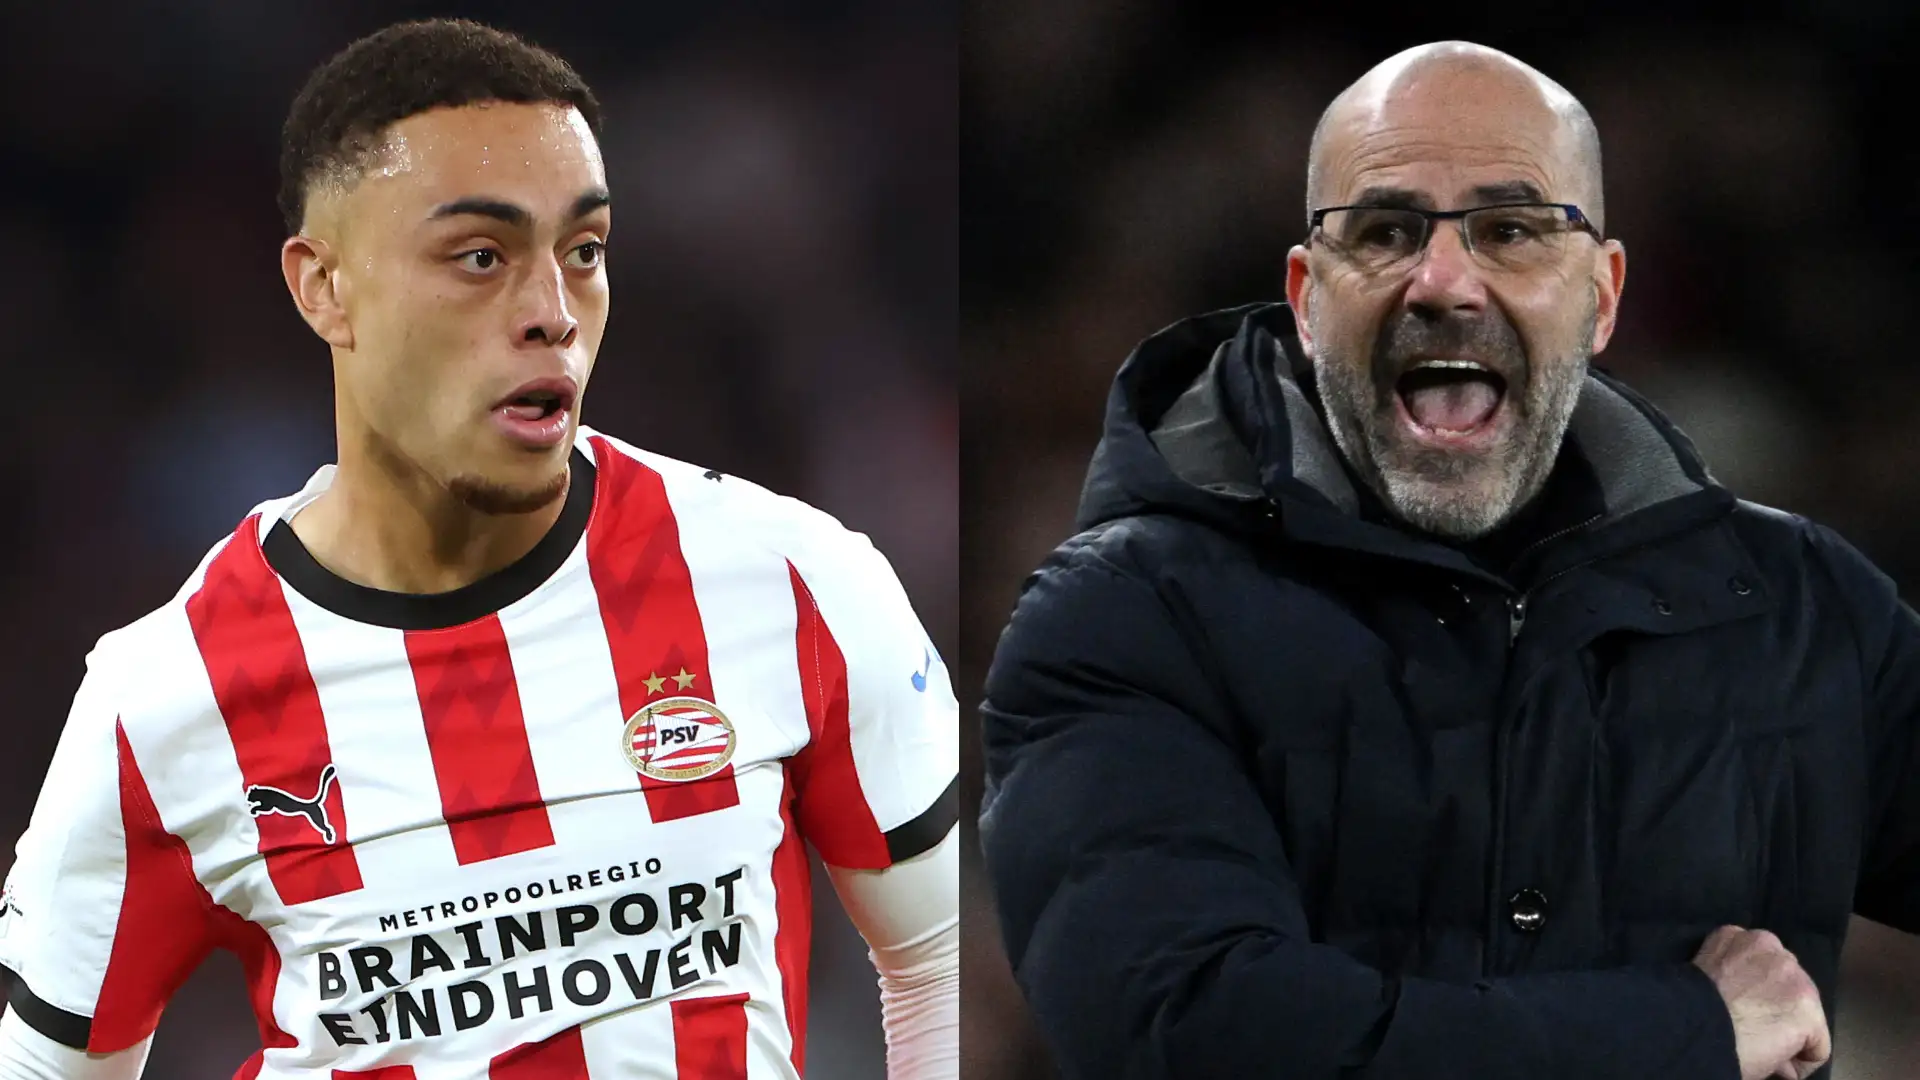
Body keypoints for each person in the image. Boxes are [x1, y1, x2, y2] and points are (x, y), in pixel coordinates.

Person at [0, 18, 957, 1079]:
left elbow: (938, 960)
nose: (552, 312)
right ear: (324, 287)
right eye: (480, 256)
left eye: (583, 251)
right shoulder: (161, 697)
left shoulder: (792, 581)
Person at [978, 40, 1918, 1080]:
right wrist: (1686, 1033)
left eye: (1511, 230)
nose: (1444, 281)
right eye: (1384, 231)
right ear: (1305, 295)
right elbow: (1196, 1030)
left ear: (1602, 296)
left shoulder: (1802, 609)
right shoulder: (1126, 621)